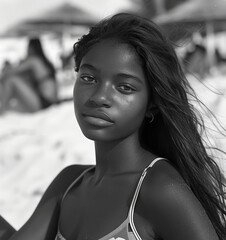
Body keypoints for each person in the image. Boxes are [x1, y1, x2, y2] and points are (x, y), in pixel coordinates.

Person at [5, 13, 226, 240]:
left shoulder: (159, 189)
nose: (100, 97)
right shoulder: (68, 184)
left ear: (151, 105)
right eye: (88, 78)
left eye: (125, 87)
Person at [0, 38, 58, 114]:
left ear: (31, 48)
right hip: (48, 101)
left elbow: (13, 72)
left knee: (11, 80)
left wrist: (6, 70)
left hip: (43, 102)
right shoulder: (43, 61)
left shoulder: (34, 60)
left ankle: (2, 110)